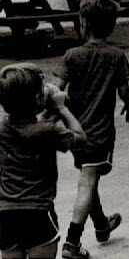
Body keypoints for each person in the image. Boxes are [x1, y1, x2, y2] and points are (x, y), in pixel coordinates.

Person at [53, 0, 129, 259]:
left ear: (83, 23)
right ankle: (72, 242)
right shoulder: (116, 55)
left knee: (89, 179)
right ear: (111, 26)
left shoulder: (72, 55)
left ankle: (101, 225)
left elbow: (57, 91)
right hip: (100, 134)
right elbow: (124, 91)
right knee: (88, 182)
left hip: (75, 131)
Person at [0, 63, 87, 259]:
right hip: (38, 212)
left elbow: (27, 125)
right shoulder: (48, 131)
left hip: (5, 213)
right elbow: (80, 138)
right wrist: (62, 109)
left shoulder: (2, 129)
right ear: (38, 99)